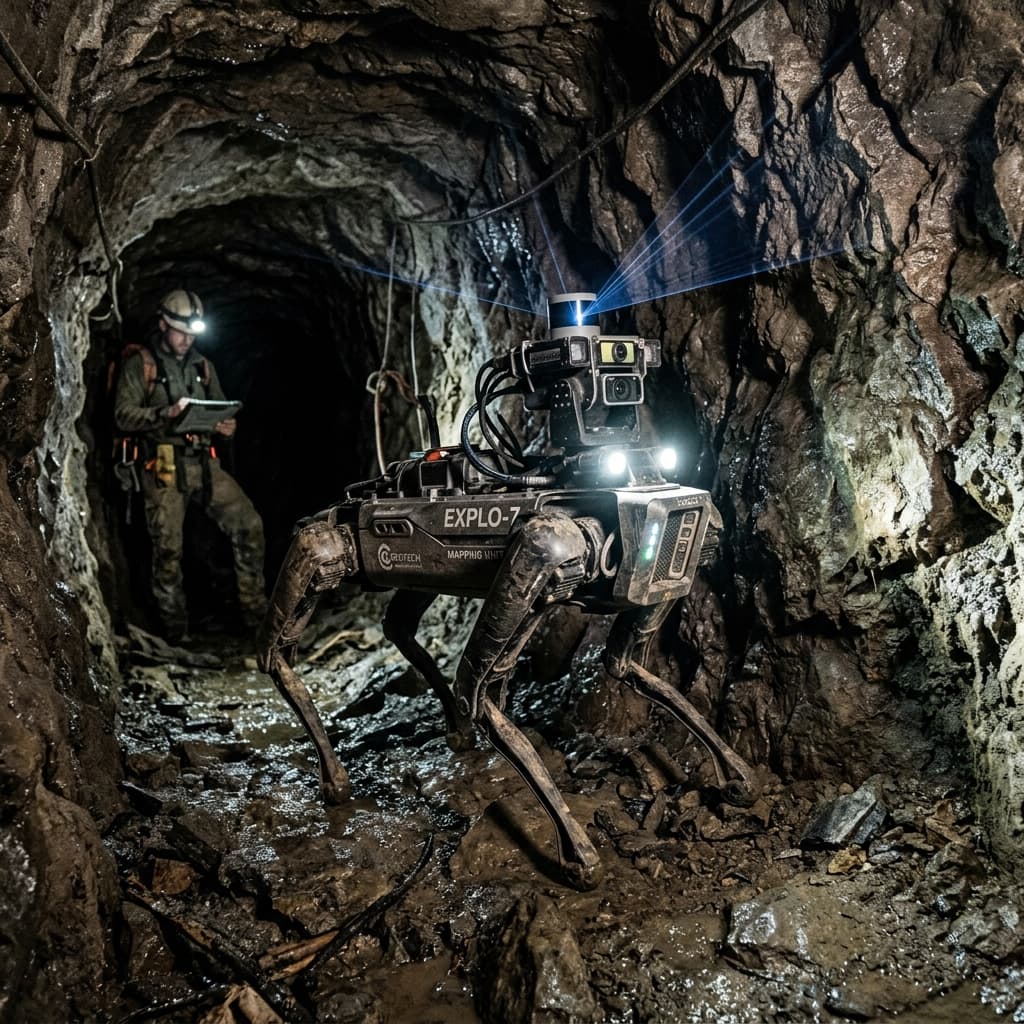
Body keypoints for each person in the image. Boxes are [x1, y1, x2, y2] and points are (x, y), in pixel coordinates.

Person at [114, 288, 266, 642]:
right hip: (163, 465)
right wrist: (164, 413)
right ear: (163, 325)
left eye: (192, 334)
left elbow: (219, 407)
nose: (186, 340)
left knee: (249, 525)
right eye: (180, 332)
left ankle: (257, 617)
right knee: (168, 549)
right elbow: (122, 415)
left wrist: (226, 427)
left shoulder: (202, 366)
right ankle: (175, 632)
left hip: (203, 462)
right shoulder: (142, 364)